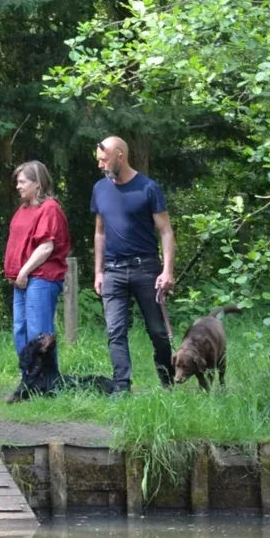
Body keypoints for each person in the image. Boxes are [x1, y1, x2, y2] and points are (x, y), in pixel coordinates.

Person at [91, 136, 175, 391]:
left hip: (145, 268)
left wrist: (167, 270)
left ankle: (168, 381)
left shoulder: (148, 188)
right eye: (98, 161)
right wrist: (98, 271)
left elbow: (166, 231)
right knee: (115, 331)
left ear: (120, 156)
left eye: (104, 160)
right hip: (113, 271)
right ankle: (121, 386)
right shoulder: (99, 189)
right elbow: (100, 232)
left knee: (158, 332)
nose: (100, 165)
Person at [4, 160, 71, 367]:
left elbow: (46, 246)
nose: (18, 186)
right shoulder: (23, 209)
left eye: (23, 182)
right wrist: (18, 274)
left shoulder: (49, 208)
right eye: (18, 182)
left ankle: (46, 382)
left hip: (41, 278)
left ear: (37, 183)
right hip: (21, 279)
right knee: (20, 330)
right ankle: (28, 380)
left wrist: (24, 272)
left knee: (39, 333)